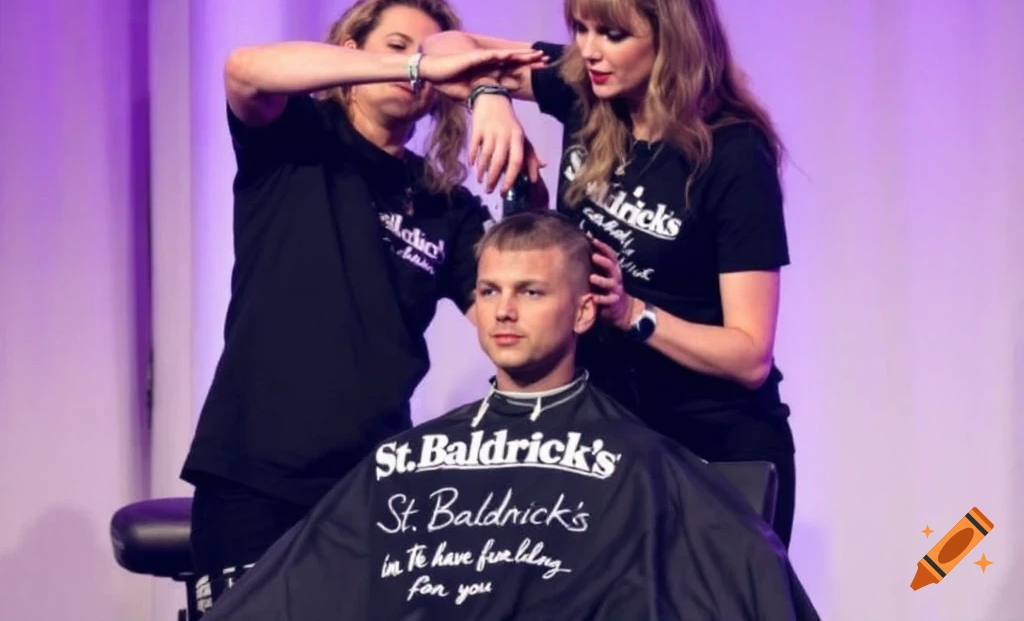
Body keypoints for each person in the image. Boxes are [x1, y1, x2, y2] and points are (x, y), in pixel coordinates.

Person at [199, 211, 819, 621]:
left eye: (530, 292)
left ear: (581, 314)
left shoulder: (637, 459)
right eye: (490, 291)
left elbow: (753, 582)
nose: (503, 311)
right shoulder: (404, 460)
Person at [179, 0, 547, 614]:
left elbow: (505, 313)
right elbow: (244, 68)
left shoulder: (445, 204)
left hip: (375, 482)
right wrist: (417, 62)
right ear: (351, 53)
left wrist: (523, 184)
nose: (419, 66)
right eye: (398, 46)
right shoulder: (297, 135)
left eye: (432, 56)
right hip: (257, 468)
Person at [425, 0, 798, 547]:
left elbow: (749, 356)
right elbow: (441, 47)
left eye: (612, 34)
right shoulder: (583, 89)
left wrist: (632, 314)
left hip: (716, 446)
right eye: (580, 28)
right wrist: (489, 97)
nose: (589, 51)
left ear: (671, 36)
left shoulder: (731, 154)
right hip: (610, 436)